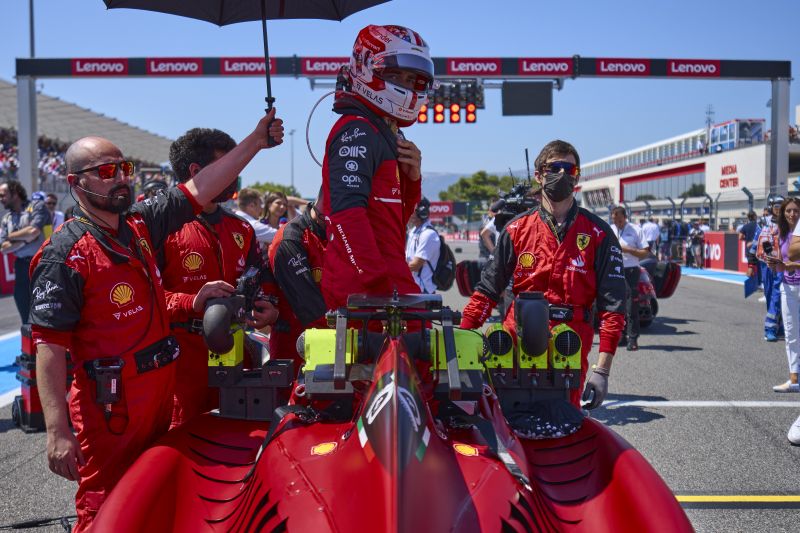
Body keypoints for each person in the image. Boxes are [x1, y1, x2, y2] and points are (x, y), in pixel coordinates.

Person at [28, 109, 284, 531]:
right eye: (106, 171)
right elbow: (49, 348)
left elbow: (200, 187)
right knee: (106, 506)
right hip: (110, 407)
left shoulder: (140, 226)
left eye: (124, 168)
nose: (121, 178)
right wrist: (57, 431)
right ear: (76, 183)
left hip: (161, 394)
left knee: (157, 495)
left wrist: (256, 141)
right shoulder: (65, 254)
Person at [460, 140, 626, 408]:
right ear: (538, 175)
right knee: (509, 425)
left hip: (570, 346)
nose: (562, 174)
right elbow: (487, 291)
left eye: (569, 169)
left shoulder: (598, 234)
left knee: (564, 428)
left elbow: (614, 307)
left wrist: (602, 372)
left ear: (577, 176)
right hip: (517, 342)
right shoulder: (516, 230)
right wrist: (460, 348)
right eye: (554, 168)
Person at [160, 127, 280, 428]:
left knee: (241, 441)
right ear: (197, 171)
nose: (235, 174)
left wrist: (266, 303)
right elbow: (142, 299)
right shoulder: (161, 229)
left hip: (238, 355)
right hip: (183, 363)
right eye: (228, 165)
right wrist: (191, 301)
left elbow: (259, 277)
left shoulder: (242, 229)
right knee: (183, 448)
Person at [317, 25, 429, 311]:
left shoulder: (383, 132)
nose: (405, 85)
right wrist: (378, 285)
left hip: (387, 284)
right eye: (395, 75)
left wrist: (412, 181)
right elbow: (345, 214)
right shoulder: (357, 129)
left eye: (412, 78)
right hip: (367, 293)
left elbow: (393, 225)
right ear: (366, 67)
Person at [268, 200, 327, 363]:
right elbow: (308, 305)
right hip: (295, 349)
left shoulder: (336, 231)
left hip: (334, 341)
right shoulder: (291, 238)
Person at [0, 179, 49, 323]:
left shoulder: (37, 206)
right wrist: (25, 239)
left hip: (42, 265)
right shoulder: (7, 218)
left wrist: (13, 238)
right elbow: (3, 248)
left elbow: (33, 231)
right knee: (24, 311)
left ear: (15, 193)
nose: (1, 199)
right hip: (21, 267)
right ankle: (29, 344)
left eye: (3, 195)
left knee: (45, 310)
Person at [767, 198, 800, 393]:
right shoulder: (782, 234)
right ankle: (794, 379)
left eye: (796, 211)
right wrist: (775, 264)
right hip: (788, 287)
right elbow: (783, 262)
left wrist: (794, 265)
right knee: (790, 334)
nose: (792, 214)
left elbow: (793, 262)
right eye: (788, 211)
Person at [610, 207, 650, 351]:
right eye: (614, 220)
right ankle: (620, 336)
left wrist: (627, 250)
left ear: (625, 217)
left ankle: (633, 338)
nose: (617, 223)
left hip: (631, 270)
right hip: (614, 270)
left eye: (619, 220)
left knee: (630, 305)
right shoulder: (610, 229)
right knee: (615, 305)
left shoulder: (635, 230)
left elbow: (645, 252)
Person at [752, 197, 784, 341]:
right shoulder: (763, 222)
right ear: (771, 207)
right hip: (765, 264)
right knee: (770, 293)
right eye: (776, 206)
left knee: (777, 294)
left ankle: (770, 328)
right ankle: (778, 324)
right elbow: (754, 243)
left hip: (780, 264)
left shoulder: (788, 222)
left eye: (781, 206)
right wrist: (751, 264)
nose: (778, 208)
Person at [405, 197, 441, 294]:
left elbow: (415, 265)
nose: (407, 212)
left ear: (421, 213)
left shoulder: (428, 234)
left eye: (411, 210)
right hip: (412, 286)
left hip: (422, 290)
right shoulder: (413, 231)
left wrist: (393, 271)